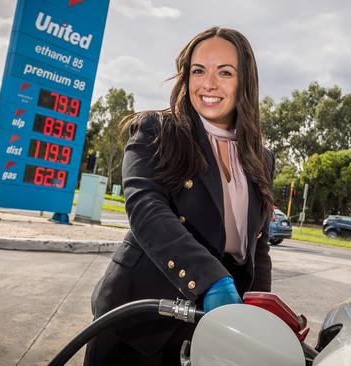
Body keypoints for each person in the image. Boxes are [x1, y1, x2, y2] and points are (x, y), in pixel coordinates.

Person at [84, 26, 275, 366]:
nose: (208, 84)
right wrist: (210, 279)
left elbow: (259, 244)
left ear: (246, 81)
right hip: (138, 320)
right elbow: (146, 208)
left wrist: (262, 307)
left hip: (209, 327)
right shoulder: (156, 130)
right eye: (198, 70)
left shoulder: (263, 157)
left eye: (225, 72)